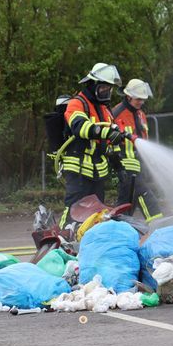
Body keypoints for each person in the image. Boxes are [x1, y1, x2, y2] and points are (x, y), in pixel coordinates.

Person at [60, 62, 124, 226]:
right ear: (92, 84)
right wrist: (106, 132)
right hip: (78, 169)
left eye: (108, 89)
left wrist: (117, 161)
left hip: (97, 173)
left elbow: (110, 136)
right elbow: (80, 127)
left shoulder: (104, 109)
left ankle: (90, 244)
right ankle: (64, 241)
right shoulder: (77, 103)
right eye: (103, 88)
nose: (106, 92)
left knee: (97, 214)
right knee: (73, 212)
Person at [111, 78, 162, 222]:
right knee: (149, 201)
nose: (141, 102)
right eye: (138, 99)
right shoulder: (116, 113)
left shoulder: (141, 115)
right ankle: (158, 227)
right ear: (128, 96)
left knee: (125, 207)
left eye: (143, 99)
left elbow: (144, 139)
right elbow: (108, 142)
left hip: (139, 168)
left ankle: (117, 231)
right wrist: (118, 167)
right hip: (126, 169)